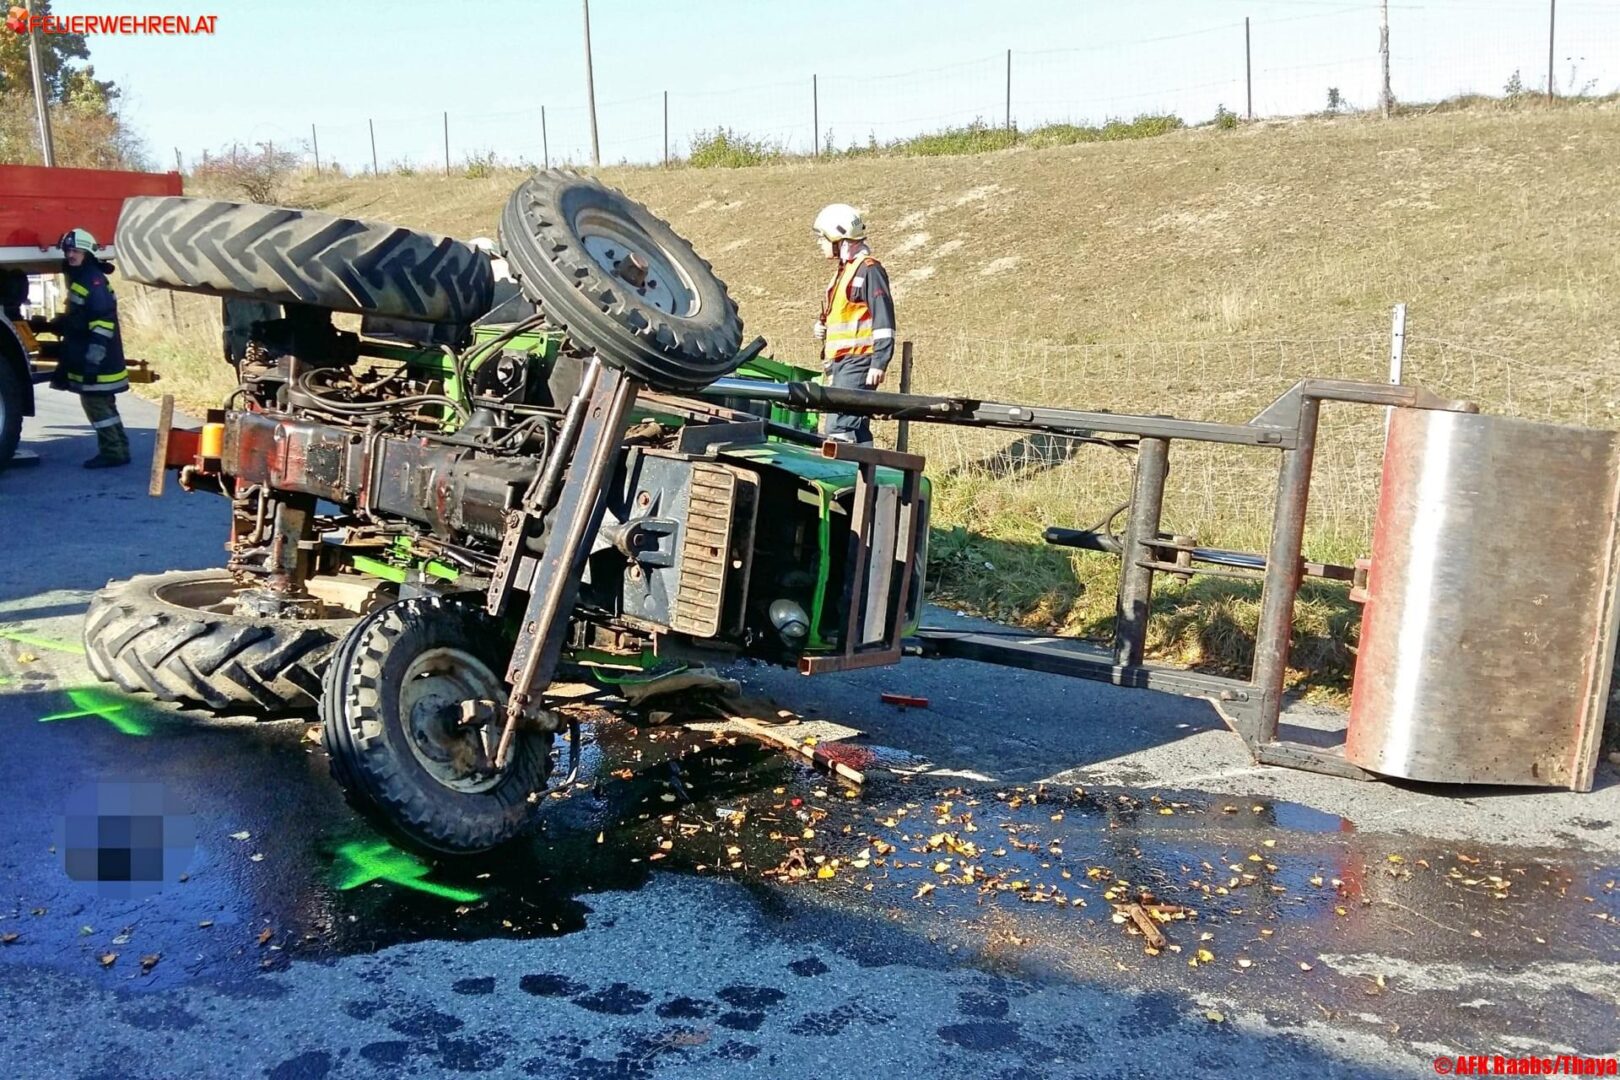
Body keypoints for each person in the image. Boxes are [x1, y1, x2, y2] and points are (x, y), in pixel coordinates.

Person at [29, 228, 131, 468]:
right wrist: (58, 324)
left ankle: (113, 452)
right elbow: (81, 316)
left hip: (98, 359)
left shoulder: (91, 280)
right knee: (105, 404)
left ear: (88, 253)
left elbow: (102, 324)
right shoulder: (84, 277)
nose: (71, 255)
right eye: (69, 251)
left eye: (76, 251)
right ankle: (120, 448)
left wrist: (93, 362)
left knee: (95, 403)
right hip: (97, 356)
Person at [811, 203, 895, 445]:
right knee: (855, 430)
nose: (820, 243)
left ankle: (846, 479)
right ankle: (870, 480)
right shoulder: (846, 270)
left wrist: (879, 362)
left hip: (858, 361)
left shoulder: (869, 270)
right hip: (843, 363)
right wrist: (822, 327)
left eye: (823, 238)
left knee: (839, 430)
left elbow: (883, 320)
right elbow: (845, 312)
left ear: (840, 238)